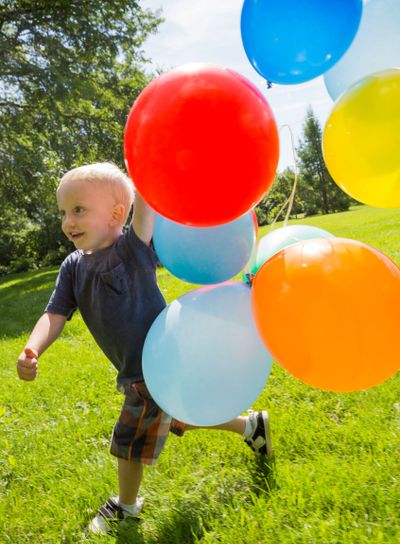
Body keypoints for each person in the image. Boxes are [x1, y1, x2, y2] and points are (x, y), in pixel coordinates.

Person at [16, 162, 272, 535]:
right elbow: (55, 313)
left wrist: (149, 161)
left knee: (128, 440)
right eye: (63, 212)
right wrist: (33, 347)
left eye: (78, 210)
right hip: (144, 369)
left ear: (117, 214)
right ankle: (251, 426)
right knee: (182, 411)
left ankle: (126, 506)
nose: (67, 221)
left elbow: (147, 207)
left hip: (154, 365)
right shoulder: (72, 267)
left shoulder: (133, 250)